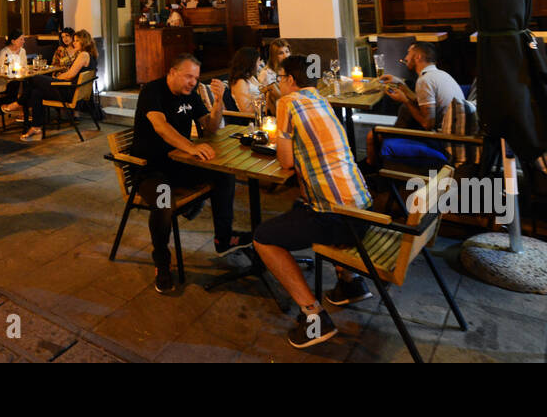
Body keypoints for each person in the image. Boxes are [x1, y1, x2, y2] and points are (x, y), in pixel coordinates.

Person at [253, 55, 375, 348]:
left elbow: (285, 162)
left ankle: (314, 316)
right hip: (364, 211)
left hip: (339, 220)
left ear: (291, 80)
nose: (278, 84)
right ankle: (350, 282)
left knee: (263, 238)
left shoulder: (287, 103)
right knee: (303, 204)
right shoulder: (321, 99)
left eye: (280, 78)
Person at [131, 53, 251, 294]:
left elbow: (210, 127)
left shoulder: (191, 95)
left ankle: (223, 238)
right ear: (172, 73)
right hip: (150, 170)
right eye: (188, 76)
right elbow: (161, 127)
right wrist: (192, 147)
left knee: (224, 174)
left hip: (179, 165)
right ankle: (162, 263)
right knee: (164, 202)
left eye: (195, 78)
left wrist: (218, 102)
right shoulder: (152, 92)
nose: (192, 82)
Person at [18, 29, 96, 140]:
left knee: (34, 78)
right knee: (36, 92)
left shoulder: (83, 55)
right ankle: (36, 127)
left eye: (77, 41)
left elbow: (69, 75)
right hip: (72, 90)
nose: (74, 43)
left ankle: (19, 103)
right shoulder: (89, 55)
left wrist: (55, 79)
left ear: (84, 41)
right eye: (74, 41)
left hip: (69, 92)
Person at [0, 29, 29, 115]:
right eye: (21, 39)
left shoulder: (22, 51)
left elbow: (24, 66)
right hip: (5, 81)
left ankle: (23, 109)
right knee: (21, 83)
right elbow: (2, 70)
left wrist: (20, 70)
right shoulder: (4, 52)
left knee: (30, 82)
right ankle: (22, 110)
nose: (23, 41)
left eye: (23, 39)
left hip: (18, 79)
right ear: (13, 41)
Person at [228, 46, 263, 114]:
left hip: (262, 110)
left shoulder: (251, 77)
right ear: (250, 63)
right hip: (253, 117)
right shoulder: (240, 82)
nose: (260, 64)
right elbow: (246, 110)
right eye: (258, 61)